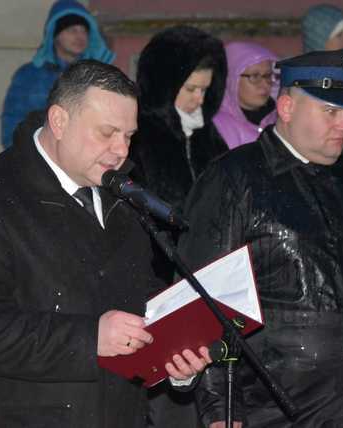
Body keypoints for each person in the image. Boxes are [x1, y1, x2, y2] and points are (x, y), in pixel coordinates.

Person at [0, 59, 210, 428]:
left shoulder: (120, 194)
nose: (121, 150)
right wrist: (89, 337)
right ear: (59, 121)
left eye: (128, 136)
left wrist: (171, 352)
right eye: (107, 132)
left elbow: (136, 290)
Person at [178, 48, 343, 427]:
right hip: (275, 406)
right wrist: (220, 406)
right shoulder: (235, 179)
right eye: (329, 111)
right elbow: (202, 297)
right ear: (287, 107)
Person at [127, 25, 228, 428]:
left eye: (205, 90)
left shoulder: (209, 138)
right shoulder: (141, 138)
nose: (198, 100)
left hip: (208, 283)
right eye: (189, 89)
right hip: (159, 286)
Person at [0, 0, 114, 149]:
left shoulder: (100, 76)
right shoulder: (28, 76)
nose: (80, 37)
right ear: (55, 35)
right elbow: (12, 127)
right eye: (72, 30)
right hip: (39, 162)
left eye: (84, 31)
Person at [213, 41, 279, 150]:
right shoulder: (215, 126)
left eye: (267, 75)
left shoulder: (282, 119)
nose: (264, 84)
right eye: (254, 76)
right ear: (231, 79)